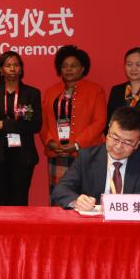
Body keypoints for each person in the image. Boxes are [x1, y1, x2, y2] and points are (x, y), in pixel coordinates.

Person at [52, 106, 140, 209]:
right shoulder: (87, 157)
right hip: (95, 224)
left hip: (131, 224)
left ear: (139, 141)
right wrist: (76, 201)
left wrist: (122, 204)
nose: (118, 147)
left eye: (127, 142)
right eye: (115, 138)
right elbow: (60, 189)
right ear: (108, 129)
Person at [40, 45, 107, 195]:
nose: (68, 69)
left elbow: (100, 122)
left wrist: (77, 144)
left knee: (87, 198)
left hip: (87, 153)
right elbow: (43, 122)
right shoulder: (51, 92)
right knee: (59, 197)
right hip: (58, 154)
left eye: (73, 66)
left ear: (83, 68)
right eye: (64, 66)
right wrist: (50, 142)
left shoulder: (95, 90)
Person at [0, 51, 42, 206]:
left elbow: (35, 125)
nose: (12, 69)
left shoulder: (32, 93)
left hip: (23, 157)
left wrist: (4, 124)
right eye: (8, 65)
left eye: (16, 65)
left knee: (20, 201)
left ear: (21, 69)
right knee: (0, 201)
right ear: (1, 70)